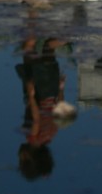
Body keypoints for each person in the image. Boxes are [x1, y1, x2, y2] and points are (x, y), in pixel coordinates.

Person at [16, 37, 68, 181]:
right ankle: (32, 21)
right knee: (28, 48)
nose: (18, 155)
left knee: (48, 47)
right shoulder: (33, 138)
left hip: (52, 87)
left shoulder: (51, 135)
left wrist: (61, 89)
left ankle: (71, 37)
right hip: (40, 89)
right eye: (20, 159)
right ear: (28, 157)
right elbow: (36, 120)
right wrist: (32, 95)